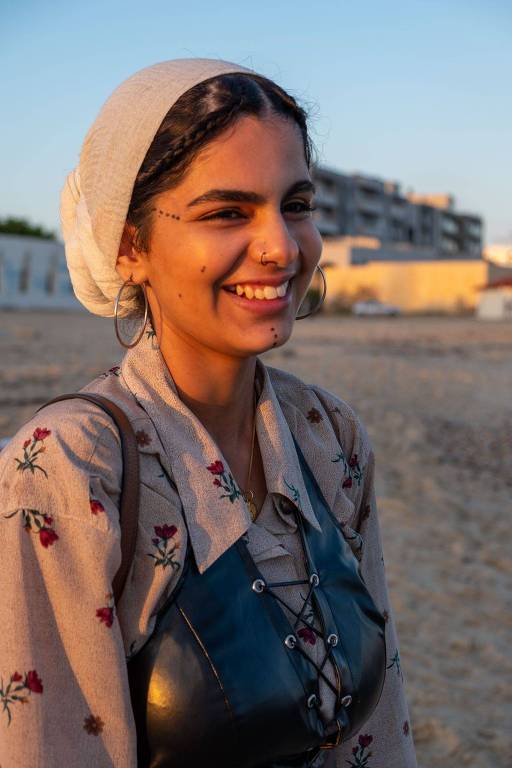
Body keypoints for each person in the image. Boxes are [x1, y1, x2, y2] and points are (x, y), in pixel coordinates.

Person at [0, 59, 417, 767]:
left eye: (296, 205)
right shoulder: (68, 473)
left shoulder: (329, 434)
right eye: (228, 211)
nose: (282, 248)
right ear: (129, 246)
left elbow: (379, 730)